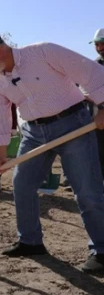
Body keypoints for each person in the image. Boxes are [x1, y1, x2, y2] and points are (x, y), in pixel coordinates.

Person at [0, 31, 104, 273]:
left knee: (87, 189)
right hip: (33, 132)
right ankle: (30, 241)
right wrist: (0, 153)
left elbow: (91, 73)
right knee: (22, 183)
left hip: (73, 123)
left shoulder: (44, 52)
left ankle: (102, 250)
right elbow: (0, 112)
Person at [61, 28, 104, 190]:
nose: (99, 47)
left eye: (102, 44)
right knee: (96, 152)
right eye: (97, 44)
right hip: (98, 119)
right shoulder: (94, 66)